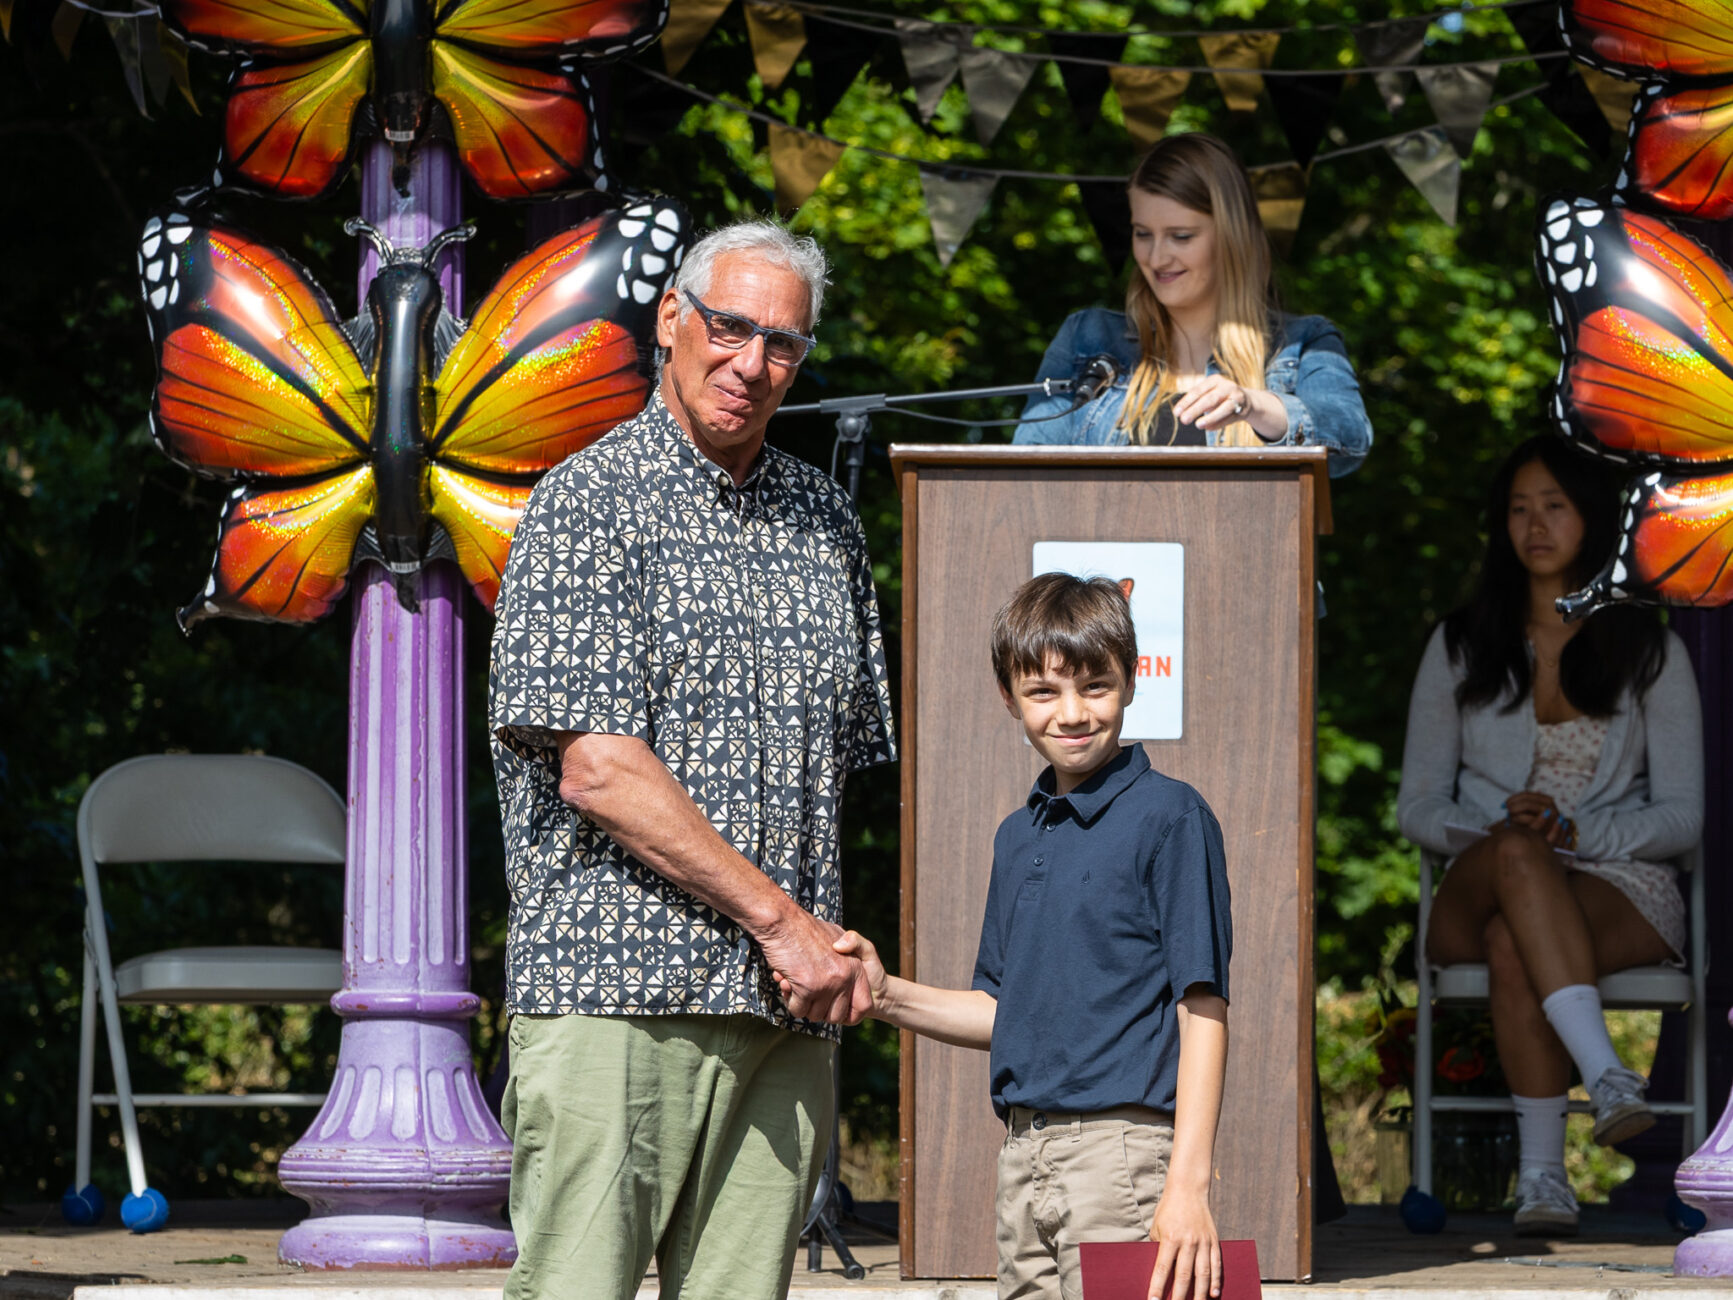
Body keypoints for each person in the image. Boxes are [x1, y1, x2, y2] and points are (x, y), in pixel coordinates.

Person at [487, 219, 896, 1300]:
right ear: (671, 320)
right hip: (616, 995)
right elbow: (598, 770)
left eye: (783, 346)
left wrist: (822, 951)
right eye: (730, 328)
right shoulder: (585, 502)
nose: (752, 364)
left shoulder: (827, 523)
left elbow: (839, 775)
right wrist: (783, 923)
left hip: (781, 1017)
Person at [802, 573, 1231, 1300]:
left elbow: (1202, 1009)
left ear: (1130, 679)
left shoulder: (1170, 817)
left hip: (1121, 1160)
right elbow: (1002, 1013)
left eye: (1094, 686)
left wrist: (1186, 1186)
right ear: (1008, 697)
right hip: (1022, 1157)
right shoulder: (1016, 835)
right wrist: (884, 993)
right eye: (1043, 693)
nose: (1071, 713)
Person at [1396, 435, 1703, 1236]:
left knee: (1512, 940)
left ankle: (1541, 1181)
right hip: (1476, 870)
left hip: (1616, 885)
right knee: (1513, 857)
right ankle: (1605, 1076)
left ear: (1594, 519)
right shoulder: (1459, 643)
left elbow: (1682, 816)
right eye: (1518, 509)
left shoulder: (1650, 648)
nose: (1533, 525)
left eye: (1554, 506)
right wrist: (1493, 832)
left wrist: (1577, 829)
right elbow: (1416, 806)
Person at [1014, 133, 1371, 478]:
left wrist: (1252, 404)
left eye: (1180, 236)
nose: (1156, 257)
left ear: (1232, 238)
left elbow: (1350, 441)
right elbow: (1024, 476)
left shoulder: (1304, 342)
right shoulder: (1088, 338)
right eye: (1143, 234)